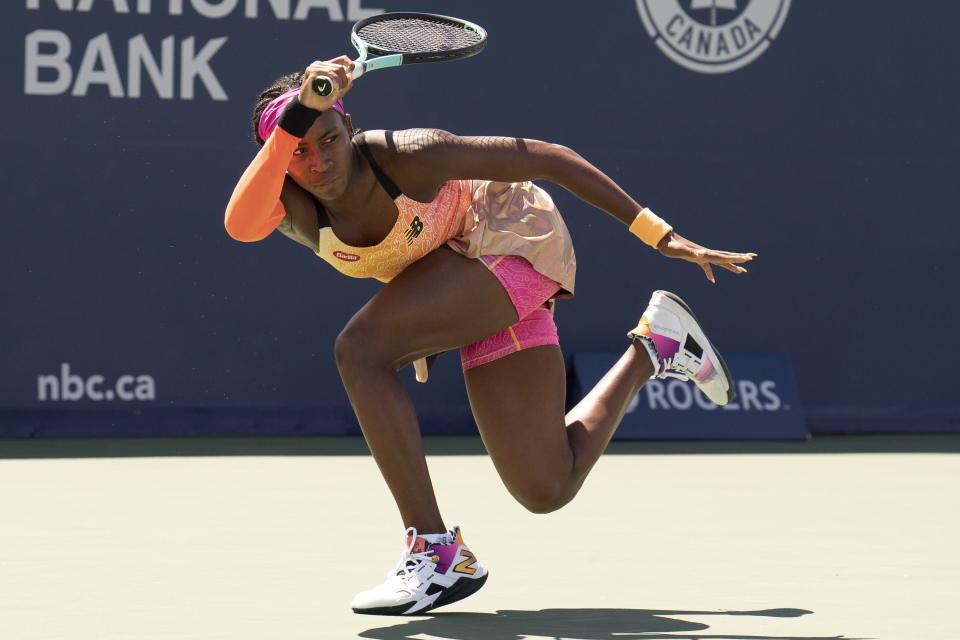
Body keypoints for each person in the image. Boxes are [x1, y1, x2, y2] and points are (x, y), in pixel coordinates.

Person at [224, 58, 756, 616]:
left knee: (359, 352)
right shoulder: (289, 207)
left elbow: (549, 159)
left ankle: (435, 553)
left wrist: (660, 235)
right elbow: (239, 225)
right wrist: (421, 319)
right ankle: (656, 347)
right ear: (278, 158)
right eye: (298, 152)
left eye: (329, 138)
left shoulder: (409, 155)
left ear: (348, 123)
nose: (320, 160)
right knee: (545, 486)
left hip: (513, 239)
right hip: (463, 280)